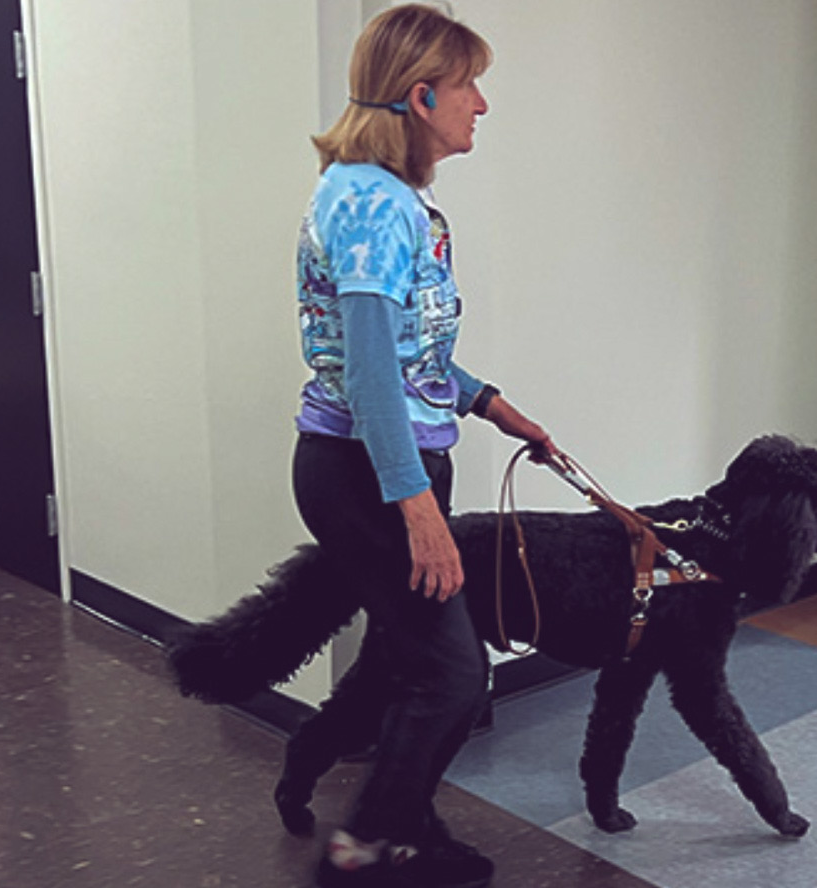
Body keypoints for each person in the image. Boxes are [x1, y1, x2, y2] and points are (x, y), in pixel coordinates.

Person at [291, 6, 553, 886]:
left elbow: (402, 348)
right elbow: (367, 379)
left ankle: (403, 828)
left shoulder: (390, 196)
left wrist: (483, 400)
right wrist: (419, 514)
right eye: (470, 85)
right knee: (448, 677)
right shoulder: (373, 203)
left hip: (381, 461)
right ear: (422, 94)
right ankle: (363, 850)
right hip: (365, 473)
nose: (481, 104)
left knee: (418, 665)